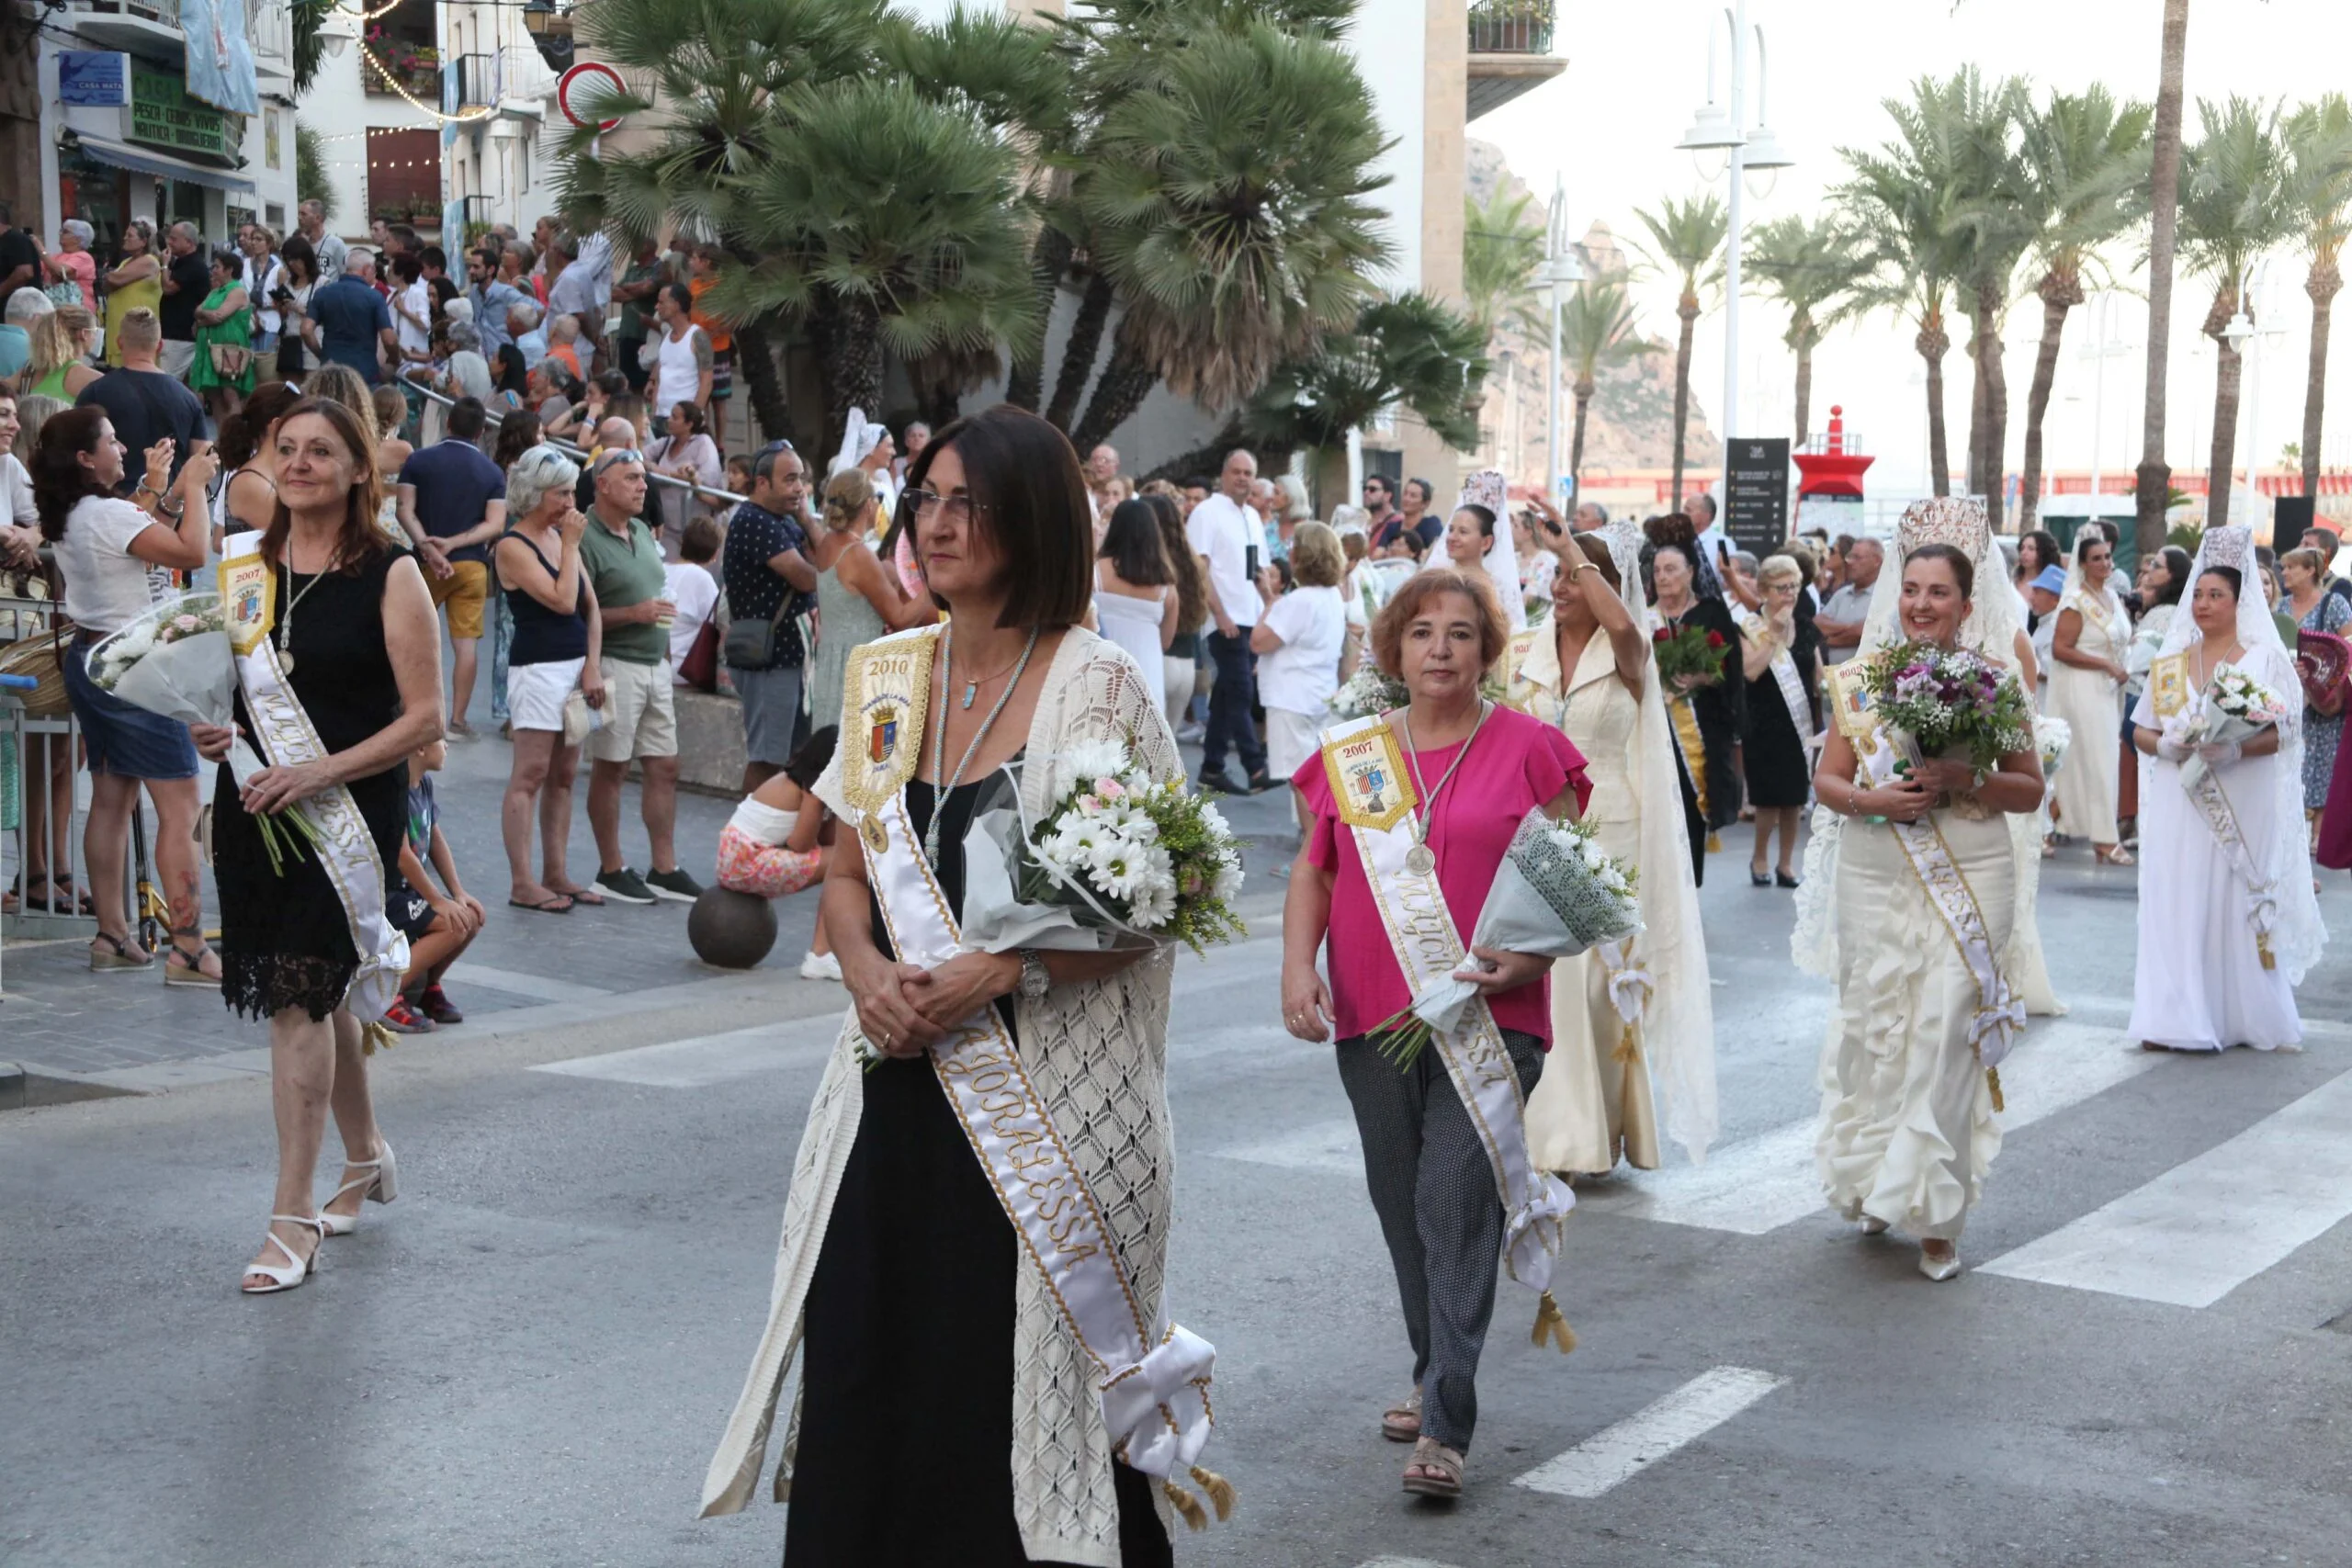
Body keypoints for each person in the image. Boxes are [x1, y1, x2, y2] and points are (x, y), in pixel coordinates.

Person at [703, 404, 1201, 1565]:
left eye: (965, 501)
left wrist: (1000, 967)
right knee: (871, 1372)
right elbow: (841, 863)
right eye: (925, 496)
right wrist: (865, 970)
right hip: (891, 1103)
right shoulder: (887, 675)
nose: (934, 522)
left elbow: (1162, 897)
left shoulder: (1099, 684)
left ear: (1029, 520)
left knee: (1019, 1395)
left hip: (1045, 1119)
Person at [1280, 568, 1589, 1498]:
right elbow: (1316, 870)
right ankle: (1431, 1366)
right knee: (1402, 1204)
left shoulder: (1533, 749)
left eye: (1460, 633)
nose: (1441, 649)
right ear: (1394, 651)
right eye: (1421, 633)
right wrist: (1299, 968)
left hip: (1492, 1022)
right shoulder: (1354, 756)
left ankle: (1446, 1424)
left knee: (1455, 1203)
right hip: (1372, 1009)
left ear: (1487, 652)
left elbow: (1572, 883)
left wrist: (1532, 963)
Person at [184, 397, 439, 1292]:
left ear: (358, 469)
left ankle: (290, 1220)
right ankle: (363, 1153)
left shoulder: (390, 572)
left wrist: (322, 773)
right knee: (314, 983)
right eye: (285, 449)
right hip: (257, 803)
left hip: (346, 812)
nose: (298, 464)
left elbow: (426, 719)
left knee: (300, 992)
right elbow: (231, 691)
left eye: (320, 451)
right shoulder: (245, 566)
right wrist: (213, 728)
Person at [1804, 536, 2046, 1282]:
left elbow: (2029, 786)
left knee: (1945, 1031)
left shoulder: (1996, 686)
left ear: (1967, 605)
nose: (1920, 604)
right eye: (1911, 589)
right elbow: (1831, 783)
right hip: (1878, 867)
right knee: (1883, 1029)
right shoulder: (1863, 681)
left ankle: (1938, 1215)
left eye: (1938, 592)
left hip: (1972, 867)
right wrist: (1875, 799)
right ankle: (1884, 1178)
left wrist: (1963, 775)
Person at [1519, 523, 1717, 1178]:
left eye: (1573, 574)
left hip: (1613, 823)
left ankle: (1602, 1127)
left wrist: (1578, 555)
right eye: (1554, 574)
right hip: (1541, 823)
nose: (1561, 585)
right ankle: (1559, 1135)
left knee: (1600, 988)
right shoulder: (1527, 652)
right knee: (1551, 980)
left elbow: (1627, 630)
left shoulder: (1629, 651)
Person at [33, 406, 220, 975]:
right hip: (135, 663)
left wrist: (159, 490)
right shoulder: (109, 513)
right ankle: (189, 946)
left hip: (90, 657)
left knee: (112, 798)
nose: (123, 448)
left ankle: (111, 936)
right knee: (181, 806)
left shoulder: (74, 512)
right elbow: (192, 552)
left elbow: (135, 529)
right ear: (86, 459)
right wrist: (193, 489)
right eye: (112, 441)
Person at [2129, 526, 2324, 1052]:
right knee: (2180, 895)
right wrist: (2165, 747)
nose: (2203, 604)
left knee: (2230, 896)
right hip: (2179, 795)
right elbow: (2140, 727)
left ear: (2242, 602)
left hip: (2242, 793)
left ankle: (2239, 1013)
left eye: (2216, 595)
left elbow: (2284, 732)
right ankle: (2175, 1013)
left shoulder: (2263, 659)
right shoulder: (2169, 663)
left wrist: (2235, 749)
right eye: (2197, 594)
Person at [574, 446, 703, 905]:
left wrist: (665, 652)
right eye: (631, 478)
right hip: (613, 663)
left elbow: (659, 595)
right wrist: (635, 613)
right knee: (611, 768)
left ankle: (663, 868)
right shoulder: (583, 536)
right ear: (602, 485)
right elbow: (578, 613)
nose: (642, 486)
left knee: (664, 765)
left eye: (643, 478)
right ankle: (611, 868)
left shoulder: (642, 534)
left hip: (654, 666)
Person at [496, 446, 605, 913]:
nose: (569, 503)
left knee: (564, 774)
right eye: (561, 493)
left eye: (570, 493)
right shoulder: (512, 546)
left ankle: (555, 871)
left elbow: (591, 607)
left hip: (576, 667)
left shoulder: (561, 538)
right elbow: (562, 602)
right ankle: (523, 882)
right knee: (531, 772)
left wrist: (594, 664)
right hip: (537, 670)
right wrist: (574, 545)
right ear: (535, 494)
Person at [394, 395, 505, 736]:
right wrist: (455, 544)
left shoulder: (419, 460)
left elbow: (404, 510)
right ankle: (457, 719)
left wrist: (429, 547)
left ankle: (408, 710)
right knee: (466, 644)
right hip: (471, 566)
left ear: (448, 423)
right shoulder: (492, 471)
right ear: (482, 430)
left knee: (410, 639)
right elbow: (495, 524)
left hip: (423, 568)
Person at [721, 442, 820, 792]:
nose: (800, 488)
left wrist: (807, 519)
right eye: (790, 479)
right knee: (767, 760)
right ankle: (746, 840)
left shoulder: (784, 521)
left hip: (789, 659)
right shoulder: (754, 521)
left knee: (791, 757)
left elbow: (822, 561)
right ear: (762, 483)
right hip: (770, 660)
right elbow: (810, 576)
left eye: (802, 480)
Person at [807, 468, 932, 744]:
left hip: (831, 664)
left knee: (828, 753)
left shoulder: (828, 544)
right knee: (856, 759)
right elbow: (899, 617)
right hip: (858, 668)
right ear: (868, 505)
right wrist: (932, 584)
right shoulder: (858, 554)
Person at [715, 725, 841, 978]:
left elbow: (827, 838)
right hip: (746, 863)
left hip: (735, 858)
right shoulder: (811, 793)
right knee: (842, 863)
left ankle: (824, 952)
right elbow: (801, 844)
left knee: (840, 855)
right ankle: (820, 954)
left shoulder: (794, 780)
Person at [380, 734, 486, 1034]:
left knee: (471, 916)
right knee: (452, 923)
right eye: (441, 740)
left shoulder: (423, 784)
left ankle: (427, 987)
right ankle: (385, 995)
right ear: (421, 747)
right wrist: (438, 901)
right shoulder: (395, 788)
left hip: (410, 893)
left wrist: (457, 893)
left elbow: (435, 839)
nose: (448, 747)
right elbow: (402, 856)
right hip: (387, 896)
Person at [1251, 520, 1347, 822]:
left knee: (1301, 780)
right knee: (1314, 778)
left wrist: (1268, 602)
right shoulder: (1332, 596)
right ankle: (1313, 851)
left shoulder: (1299, 601)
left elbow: (1259, 641)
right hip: (1318, 693)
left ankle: (1310, 854)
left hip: (1291, 698)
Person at [1188, 447, 1270, 795]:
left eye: (1248, 473)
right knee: (1240, 689)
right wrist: (1219, 614)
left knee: (1226, 694)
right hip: (1224, 618)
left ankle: (1212, 767)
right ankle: (1255, 767)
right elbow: (1199, 568)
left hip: (1250, 616)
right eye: (1236, 471)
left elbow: (1260, 570)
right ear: (1224, 475)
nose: (1242, 478)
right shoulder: (1207, 512)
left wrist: (1270, 608)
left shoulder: (1252, 516)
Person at [2047, 531, 2131, 863]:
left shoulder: (2111, 596)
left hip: (2108, 688)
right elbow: (2060, 649)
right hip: (2081, 686)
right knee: (2096, 761)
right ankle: (2104, 839)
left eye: (2108, 557)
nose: (2105, 563)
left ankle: (2047, 823)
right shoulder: (2074, 602)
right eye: (2096, 558)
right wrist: (2104, 664)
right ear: (2083, 564)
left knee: (2098, 760)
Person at [1736, 553, 1820, 886]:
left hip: (1798, 725)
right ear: (1764, 591)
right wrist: (1772, 633)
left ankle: (1786, 864)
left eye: (1795, 586)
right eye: (1782, 587)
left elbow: (1817, 676)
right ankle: (1760, 857)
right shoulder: (1747, 626)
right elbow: (1751, 671)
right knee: (1767, 798)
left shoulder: (1806, 625)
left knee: (1795, 798)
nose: (1790, 594)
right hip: (1763, 722)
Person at [74, 309, 210, 495]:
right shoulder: (187, 398)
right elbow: (201, 460)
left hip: (114, 502)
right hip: (169, 507)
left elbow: (77, 453)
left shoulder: (95, 392)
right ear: (160, 346)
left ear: (119, 342)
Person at [2282, 546, 2351, 820]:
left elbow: (2349, 645)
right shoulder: (2281, 607)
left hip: (2325, 697)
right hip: (2290, 694)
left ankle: (2321, 828)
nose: (2284, 572)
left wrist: (2323, 672)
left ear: (2310, 570)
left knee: (2325, 760)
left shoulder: (2333, 603)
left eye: (2291, 567)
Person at [1094, 496, 1180, 716]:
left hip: (1101, 674)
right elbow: (1166, 641)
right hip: (1146, 677)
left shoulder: (1095, 573)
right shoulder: (1166, 586)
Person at [1144, 490, 1207, 736]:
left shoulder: (1152, 565)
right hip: (1186, 667)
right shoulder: (1193, 563)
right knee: (1168, 759)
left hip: (1160, 660)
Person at [213, 378, 302, 543]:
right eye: (301, 421)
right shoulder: (252, 482)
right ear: (276, 425)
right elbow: (298, 542)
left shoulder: (267, 474)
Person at [645, 398, 723, 547]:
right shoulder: (667, 441)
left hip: (693, 529)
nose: (669, 420)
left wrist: (667, 474)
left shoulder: (704, 443)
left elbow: (706, 480)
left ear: (689, 424)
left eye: (675, 417)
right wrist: (652, 466)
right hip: (665, 524)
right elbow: (640, 456)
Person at [310, 252, 397, 383]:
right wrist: (395, 358)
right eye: (374, 270)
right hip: (364, 372)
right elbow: (389, 340)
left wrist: (321, 355)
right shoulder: (375, 297)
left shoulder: (323, 293)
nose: (375, 274)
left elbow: (305, 329)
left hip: (330, 369)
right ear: (367, 269)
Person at [188, 249, 255, 416]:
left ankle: (235, 437)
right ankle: (221, 438)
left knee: (230, 394)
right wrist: (205, 316)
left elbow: (220, 316)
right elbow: (197, 311)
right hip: (209, 348)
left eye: (217, 267)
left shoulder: (237, 291)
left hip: (229, 350)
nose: (213, 270)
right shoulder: (215, 291)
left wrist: (202, 319)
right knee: (215, 396)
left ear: (229, 270)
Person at [665, 514, 723, 685]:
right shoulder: (703, 579)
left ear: (682, 543)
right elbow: (718, 625)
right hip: (681, 671)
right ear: (715, 555)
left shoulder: (661, 569)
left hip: (658, 666)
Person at [686, 244, 733, 447]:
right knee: (700, 398)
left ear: (706, 262)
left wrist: (717, 331)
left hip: (719, 349)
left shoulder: (722, 286)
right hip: (698, 349)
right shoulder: (694, 285)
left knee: (718, 400)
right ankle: (707, 439)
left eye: (694, 258)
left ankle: (721, 444)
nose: (690, 262)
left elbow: (734, 316)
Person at [101, 220, 164, 368]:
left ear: (143, 242)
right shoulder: (127, 261)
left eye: (130, 235)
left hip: (138, 326)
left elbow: (114, 278)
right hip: (120, 323)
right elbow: (106, 284)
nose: (125, 238)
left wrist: (111, 277)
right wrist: (110, 278)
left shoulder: (149, 261)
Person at [154, 224, 210, 381]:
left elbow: (168, 288)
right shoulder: (182, 262)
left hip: (181, 335)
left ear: (189, 242)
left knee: (166, 381)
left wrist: (164, 264)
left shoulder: (194, 264)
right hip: (175, 333)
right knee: (191, 384)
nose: (169, 242)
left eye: (173, 239)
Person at [1815, 536, 1882, 665]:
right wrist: (1850, 627)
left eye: (1857, 558)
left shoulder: (1885, 595)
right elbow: (1818, 623)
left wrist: (1828, 638)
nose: (1850, 562)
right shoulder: (1842, 594)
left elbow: (1866, 633)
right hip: (1833, 679)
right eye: (1850, 557)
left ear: (1876, 561)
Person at [17, 305, 102, 401]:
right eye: (95, 331)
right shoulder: (95, 379)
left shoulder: (29, 372)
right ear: (83, 334)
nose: (95, 337)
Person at [238, 224, 286, 355]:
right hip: (249, 319)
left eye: (259, 239)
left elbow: (284, 302)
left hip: (271, 321)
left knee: (266, 364)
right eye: (252, 239)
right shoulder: (245, 264)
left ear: (269, 243)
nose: (253, 242)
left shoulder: (278, 269)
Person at [43, 219, 98, 312]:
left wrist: (42, 251)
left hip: (78, 312)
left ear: (78, 239)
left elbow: (62, 272)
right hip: (58, 310)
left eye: (65, 232)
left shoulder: (84, 257)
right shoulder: (56, 256)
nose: (60, 234)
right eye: (61, 231)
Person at [296, 200, 348, 282]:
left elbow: (346, 274)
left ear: (317, 218)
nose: (299, 218)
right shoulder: (300, 244)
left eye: (303, 214)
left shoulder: (335, 244)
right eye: (299, 214)